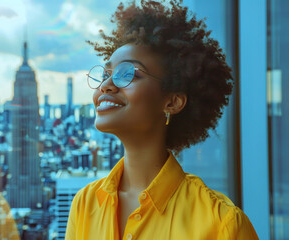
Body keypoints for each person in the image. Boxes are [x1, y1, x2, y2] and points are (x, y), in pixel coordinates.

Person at [66, 0, 258, 239]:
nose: (105, 86)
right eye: (106, 74)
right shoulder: (84, 204)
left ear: (172, 102)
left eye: (127, 74)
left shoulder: (222, 222)